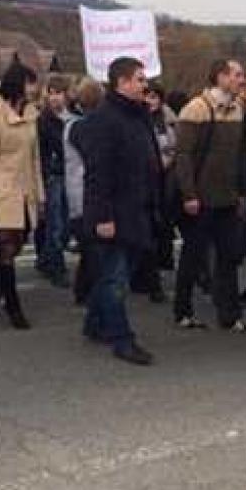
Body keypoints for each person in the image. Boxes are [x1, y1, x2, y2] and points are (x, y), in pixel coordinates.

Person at [79, 57, 160, 365]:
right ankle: (122, 339)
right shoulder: (105, 119)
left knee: (118, 273)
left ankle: (94, 322)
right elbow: (97, 173)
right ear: (122, 82)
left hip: (138, 207)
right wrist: (102, 218)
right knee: (116, 278)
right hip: (114, 212)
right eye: (139, 79)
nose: (145, 85)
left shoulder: (138, 116)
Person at [173, 58, 246, 331]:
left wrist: (241, 191)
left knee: (229, 257)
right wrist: (189, 194)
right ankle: (182, 310)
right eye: (237, 74)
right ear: (220, 77)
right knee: (193, 256)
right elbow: (182, 156)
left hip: (228, 197)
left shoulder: (239, 108)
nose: (242, 80)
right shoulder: (197, 108)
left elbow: (240, 155)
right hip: (201, 198)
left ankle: (229, 314)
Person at [0, 61, 44, 329]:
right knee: (3, 249)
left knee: (15, 246)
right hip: (2, 191)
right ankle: (12, 303)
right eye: (30, 83)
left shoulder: (31, 115)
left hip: (25, 189)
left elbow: (34, 158)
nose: (34, 88)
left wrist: (40, 195)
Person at [130, 82, 176, 303]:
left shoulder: (167, 119)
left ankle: (154, 272)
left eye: (154, 97)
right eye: (147, 96)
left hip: (162, 180)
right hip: (142, 182)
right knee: (145, 233)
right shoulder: (136, 120)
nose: (151, 101)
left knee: (159, 228)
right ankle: (148, 280)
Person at [66, 78, 106, 305]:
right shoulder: (82, 127)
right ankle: (86, 293)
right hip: (85, 195)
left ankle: (83, 290)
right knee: (93, 250)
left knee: (90, 250)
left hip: (77, 195)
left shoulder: (72, 125)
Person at [36, 74, 73, 287]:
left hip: (71, 173)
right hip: (54, 174)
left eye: (58, 93)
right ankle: (55, 265)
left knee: (68, 222)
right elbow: (43, 150)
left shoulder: (73, 117)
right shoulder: (44, 121)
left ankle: (46, 258)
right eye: (50, 94)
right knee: (56, 223)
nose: (54, 98)